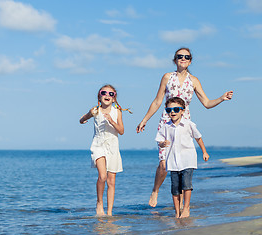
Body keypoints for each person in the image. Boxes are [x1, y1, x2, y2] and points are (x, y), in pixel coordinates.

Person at [136, 47, 233, 207]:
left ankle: (180, 205)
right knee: (164, 163)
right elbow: (157, 101)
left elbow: (207, 103)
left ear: (190, 61)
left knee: (181, 165)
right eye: (179, 56)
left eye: (186, 57)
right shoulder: (167, 77)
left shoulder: (194, 80)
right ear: (175, 60)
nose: (183, 59)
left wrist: (221, 98)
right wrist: (144, 119)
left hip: (184, 124)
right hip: (166, 122)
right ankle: (155, 190)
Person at [80, 84, 131, 216]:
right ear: (99, 96)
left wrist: (112, 121)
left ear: (114, 98)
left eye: (111, 94)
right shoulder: (95, 110)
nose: (107, 95)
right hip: (98, 145)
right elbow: (81, 120)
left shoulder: (117, 112)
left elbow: (122, 131)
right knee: (102, 176)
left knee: (111, 181)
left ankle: (109, 212)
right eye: (104, 93)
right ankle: (99, 203)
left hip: (113, 146)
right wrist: (88, 115)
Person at [155, 97, 209, 218]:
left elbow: (198, 138)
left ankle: (186, 208)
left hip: (188, 159)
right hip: (173, 161)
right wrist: (162, 144)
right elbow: (159, 140)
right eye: (169, 110)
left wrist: (204, 152)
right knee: (175, 188)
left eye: (176, 109)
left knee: (186, 185)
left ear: (182, 111)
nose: (172, 112)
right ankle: (177, 212)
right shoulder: (166, 126)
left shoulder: (189, 124)